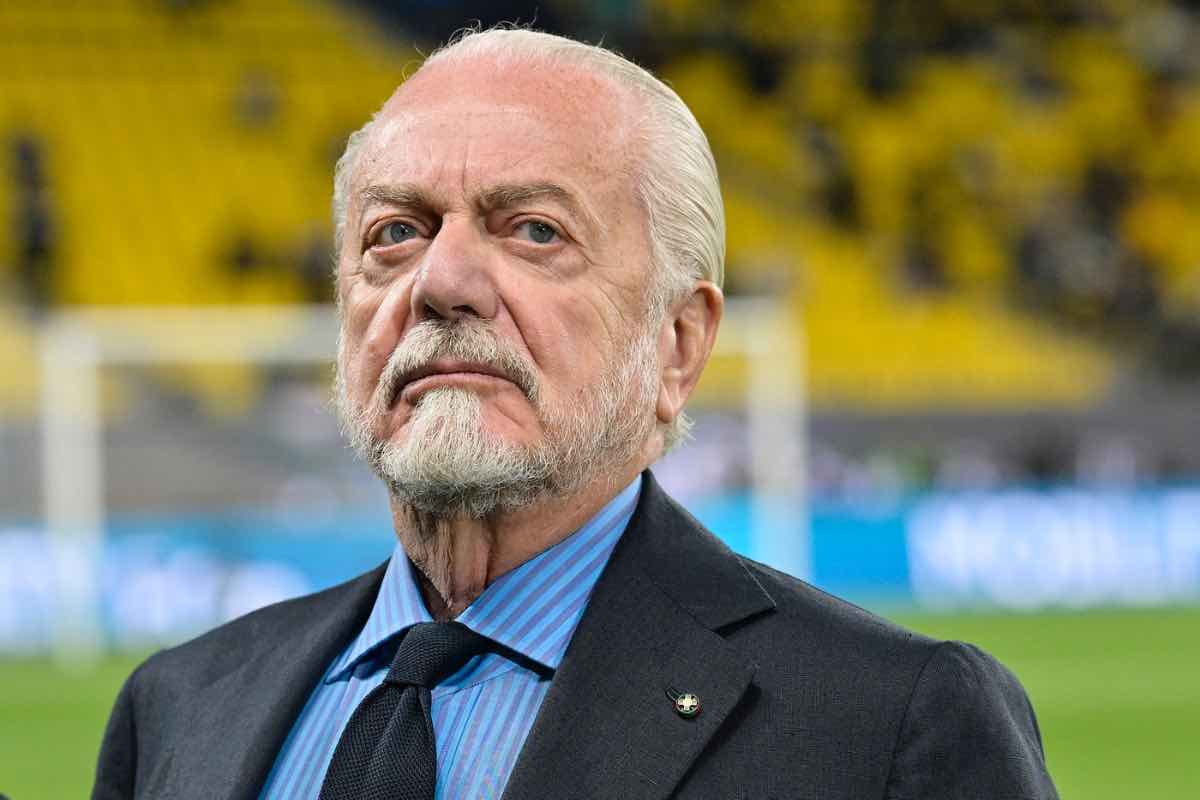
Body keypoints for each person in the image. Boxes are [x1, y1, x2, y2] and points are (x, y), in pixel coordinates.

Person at [92, 28, 1059, 800]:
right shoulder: (178, 708)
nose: (442, 280)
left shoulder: (889, 726)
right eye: (396, 232)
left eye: (534, 230)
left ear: (678, 343)